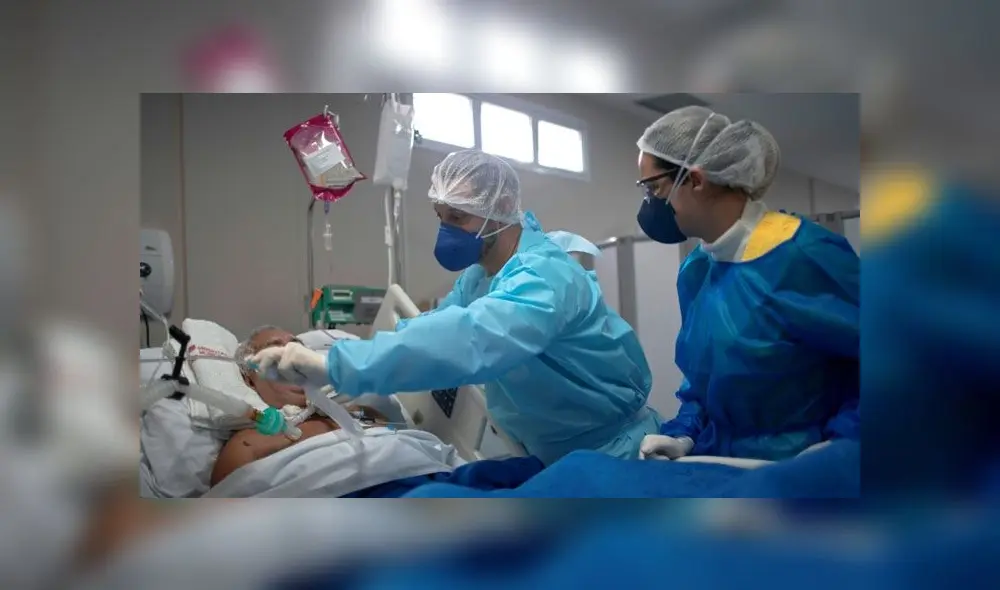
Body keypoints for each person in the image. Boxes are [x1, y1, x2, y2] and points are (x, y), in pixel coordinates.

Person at [253, 150, 660, 465]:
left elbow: (471, 339)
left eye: (458, 217)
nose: (445, 229)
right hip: (550, 453)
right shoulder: (479, 275)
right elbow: (439, 327)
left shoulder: (544, 277)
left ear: (498, 209)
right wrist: (341, 361)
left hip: (611, 451)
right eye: (441, 216)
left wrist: (343, 364)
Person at [634, 106, 859, 462]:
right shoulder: (697, 270)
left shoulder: (802, 256)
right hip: (720, 461)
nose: (650, 205)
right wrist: (684, 434)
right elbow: (701, 382)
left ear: (694, 180)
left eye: (654, 189)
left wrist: (842, 446)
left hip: (798, 466)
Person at [213, 325, 544, 494]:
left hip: (438, 480)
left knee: (554, 470)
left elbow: (414, 445)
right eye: (275, 348)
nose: (289, 354)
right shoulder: (248, 439)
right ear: (248, 371)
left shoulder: (358, 411)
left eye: (294, 346)